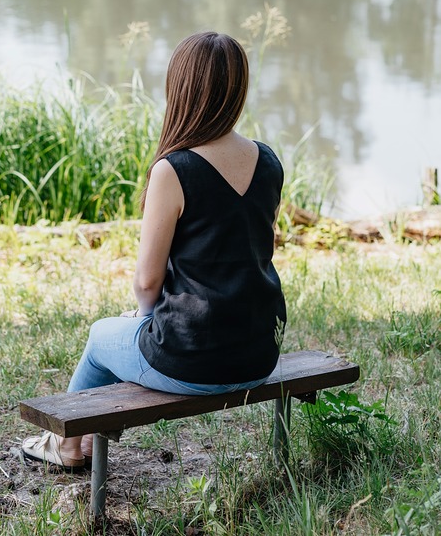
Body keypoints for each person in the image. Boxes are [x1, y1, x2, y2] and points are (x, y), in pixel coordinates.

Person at [22, 31, 286, 470]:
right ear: (239, 88)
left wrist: (145, 316)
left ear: (180, 89)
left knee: (101, 336)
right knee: (122, 332)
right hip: (260, 352)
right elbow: (253, 252)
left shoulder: (174, 169)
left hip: (194, 360)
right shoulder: (268, 161)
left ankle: (65, 446)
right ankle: (77, 441)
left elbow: (147, 281)